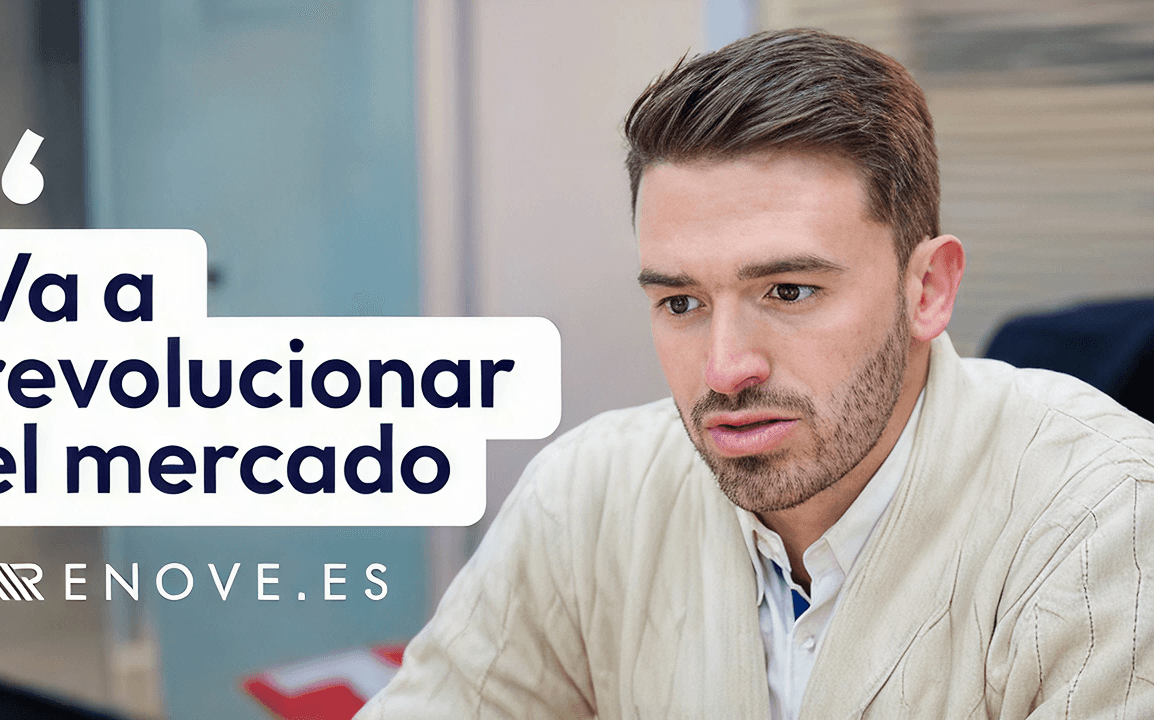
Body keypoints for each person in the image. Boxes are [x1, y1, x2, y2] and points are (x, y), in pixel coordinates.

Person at [356, 29, 1154, 718]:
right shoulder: (589, 497)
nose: (726, 368)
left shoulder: (1106, 519)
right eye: (681, 302)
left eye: (789, 291)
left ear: (928, 290)